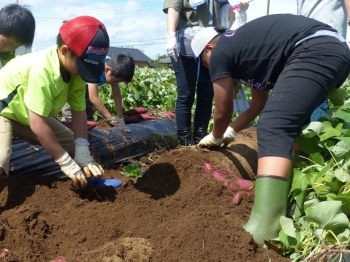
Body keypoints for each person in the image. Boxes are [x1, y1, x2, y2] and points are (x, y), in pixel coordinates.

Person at [190, 14, 350, 244]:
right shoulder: (246, 54)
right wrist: (231, 132)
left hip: (315, 49)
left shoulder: (221, 51)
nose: (208, 67)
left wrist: (215, 136)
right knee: (292, 126)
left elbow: (222, 110)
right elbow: (258, 103)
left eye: (204, 62)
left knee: (274, 125)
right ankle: (293, 193)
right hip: (332, 49)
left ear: (208, 48)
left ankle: (266, 225)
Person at [0, 16, 110, 188]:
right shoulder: (41, 70)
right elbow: (38, 125)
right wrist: (65, 162)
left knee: (72, 145)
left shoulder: (76, 73)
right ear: (65, 51)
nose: (84, 73)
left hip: (25, 113)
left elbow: (79, 111)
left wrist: (82, 149)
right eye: (83, 67)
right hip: (4, 112)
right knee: (1, 158)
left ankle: (89, 184)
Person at [163, 0, 241, 145]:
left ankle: (200, 139)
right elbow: (173, 8)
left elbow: (223, 10)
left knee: (206, 95)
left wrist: (237, 8)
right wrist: (170, 36)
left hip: (211, 43)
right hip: (186, 42)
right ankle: (184, 142)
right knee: (186, 94)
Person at [61, 54, 135, 126]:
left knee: (88, 109)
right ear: (108, 70)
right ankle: (69, 127)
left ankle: (88, 126)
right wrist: (111, 119)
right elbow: (93, 98)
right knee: (71, 109)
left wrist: (120, 118)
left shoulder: (115, 68)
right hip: (73, 82)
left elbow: (117, 94)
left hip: (87, 84)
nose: (115, 83)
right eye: (115, 81)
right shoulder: (96, 67)